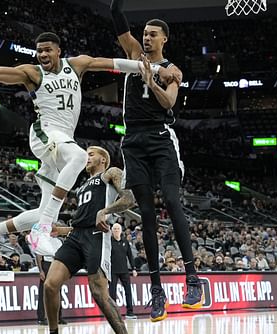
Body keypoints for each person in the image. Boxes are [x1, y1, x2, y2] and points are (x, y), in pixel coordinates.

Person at [0, 26, 176, 265]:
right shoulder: (33, 73)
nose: (43, 55)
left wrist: (157, 69)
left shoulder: (77, 65)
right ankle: (43, 229)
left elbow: (115, 63)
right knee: (80, 158)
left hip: (62, 144)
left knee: (44, 209)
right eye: (39, 51)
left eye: (48, 50)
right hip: (45, 134)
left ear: (59, 51)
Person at [110, 0, 203, 322]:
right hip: (132, 140)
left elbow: (169, 104)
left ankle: (192, 280)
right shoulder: (134, 54)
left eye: (152, 34)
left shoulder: (172, 70)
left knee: (173, 203)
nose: (146, 38)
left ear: (164, 39)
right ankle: (156, 291)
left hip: (161, 139)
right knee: (146, 215)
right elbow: (116, 18)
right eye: (145, 34)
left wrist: (152, 81)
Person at [44, 146, 136, 334]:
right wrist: (62, 230)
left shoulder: (111, 173)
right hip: (76, 235)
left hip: (96, 235)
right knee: (50, 285)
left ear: (103, 159)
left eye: (91, 154)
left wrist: (105, 211)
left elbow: (129, 199)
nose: (86, 157)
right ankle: (53, 331)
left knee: (99, 293)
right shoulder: (82, 187)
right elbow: (83, 220)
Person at [109, 223, 137, 319]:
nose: (116, 230)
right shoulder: (109, 242)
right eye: (114, 229)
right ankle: (114, 313)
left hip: (124, 270)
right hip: (113, 271)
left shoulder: (125, 241)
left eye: (118, 229)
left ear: (121, 231)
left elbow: (130, 256)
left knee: (128, 291)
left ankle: (130, 312)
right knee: (112, 292)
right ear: (112, 231)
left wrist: (133, 268)